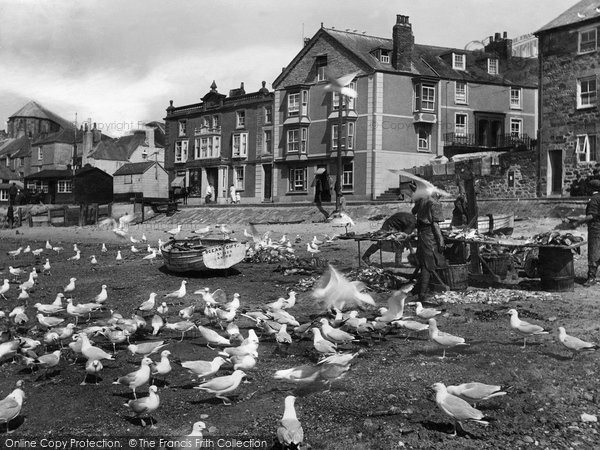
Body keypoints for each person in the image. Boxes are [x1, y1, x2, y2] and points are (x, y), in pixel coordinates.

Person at [412, 189, 446, 301]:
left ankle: (421, 288)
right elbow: (435, 224)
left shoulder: (423, 199)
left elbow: (413, 211)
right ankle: (422, 294)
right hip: (429, 235)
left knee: (424, 262)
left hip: (421, 233)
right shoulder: (434, 203)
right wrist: (441, 240)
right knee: (428, 264)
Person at [572, 179, 600, 286]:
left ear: (591, 188)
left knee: (593, 252)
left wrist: (578, 222)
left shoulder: (593, 200)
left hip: (595, 229)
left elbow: (592, 215)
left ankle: (591, 277)